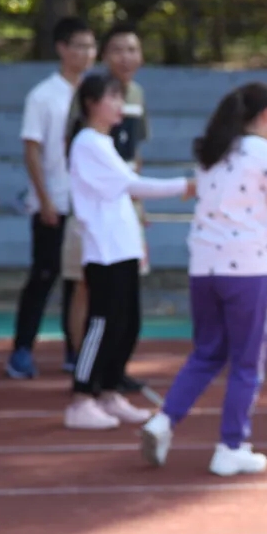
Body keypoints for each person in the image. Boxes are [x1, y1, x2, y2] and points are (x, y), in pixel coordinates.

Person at [139, 82, 267, 476]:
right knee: (246, 362)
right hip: (247, 271)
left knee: (206, 353)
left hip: (204, 267)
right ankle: (231, 446)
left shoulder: (213, 152)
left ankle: (164, 420)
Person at [63, 73, 195, 430]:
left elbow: (125, 191)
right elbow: (131, 185)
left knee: (127, 323)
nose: (120, 105)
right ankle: (81, 397)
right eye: (113, 98)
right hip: (103, 250)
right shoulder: (88, 143)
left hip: (122, 248)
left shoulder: (104, 144)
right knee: (102, 323)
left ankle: (109, 391)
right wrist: (185, 185)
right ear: (92, 103)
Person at [4, 17, 98, 380]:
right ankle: (22, 349)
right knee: (43, 276)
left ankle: (74, 349)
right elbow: (32, 150)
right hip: (54, 200)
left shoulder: (96, 93)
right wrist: (43, 199)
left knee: (79, 281)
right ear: (61, 48)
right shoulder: (44, 95)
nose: (86, 53)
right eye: (79, 45)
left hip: (85, 203)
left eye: (91, 46)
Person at [60, 21, 150, 392]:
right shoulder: (90, 97)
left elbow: (135, 155)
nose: (126, 57)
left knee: (122, 301)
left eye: (132, 49)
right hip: (94, 209)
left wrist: (137, 205)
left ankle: (110, 370)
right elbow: (73, 146)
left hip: (123, 207)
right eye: (118, 49)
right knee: (88, 288)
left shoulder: (137, 96)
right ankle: (82, 363)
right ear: (104, 54)